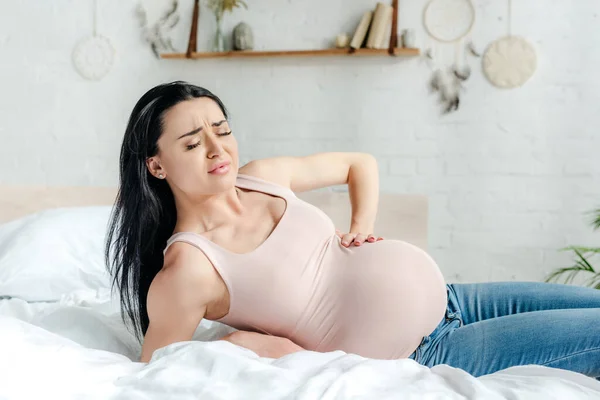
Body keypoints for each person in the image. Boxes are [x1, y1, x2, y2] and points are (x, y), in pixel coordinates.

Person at [105, 81, 600, 379]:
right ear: (156, 165)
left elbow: (358, 164)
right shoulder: (188, 270)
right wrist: (246, 346)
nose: (218, 149)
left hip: (456, 299)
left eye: (223, 129)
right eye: (193, 143)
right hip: (424, 352)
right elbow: (157, 374)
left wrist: (360, 228)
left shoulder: (265, 176)